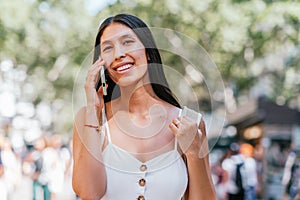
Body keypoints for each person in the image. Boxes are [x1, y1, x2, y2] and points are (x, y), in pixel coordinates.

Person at [72, 13, 216, 200]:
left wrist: (194, 153)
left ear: (148, 51)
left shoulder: (190, 123)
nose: (118, 54)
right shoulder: (90, 119)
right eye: (108, 48)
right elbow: (90, 193)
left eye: (127, 42)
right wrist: (93, 109)